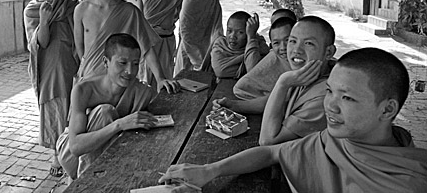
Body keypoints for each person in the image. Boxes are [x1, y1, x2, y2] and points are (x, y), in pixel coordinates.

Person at [159, 48, 427, 192]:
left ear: (387, 109)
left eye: (347, 98)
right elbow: (271, 151)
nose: (330, 106)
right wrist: (210, 170)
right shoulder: (333, 141)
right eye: (330, 91)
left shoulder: (407, 182)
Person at [56, 33, 157, 179]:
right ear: (105, 62)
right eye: (122, 63)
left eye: (135, 64)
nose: (130, 71)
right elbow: (76, 147)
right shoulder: (84, 90)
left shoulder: (142, 92)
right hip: (71, 155)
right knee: (104, 112)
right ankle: (86, 183)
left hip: (107, 154)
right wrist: (119, 124)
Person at [73, 0, 179, 93]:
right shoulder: (81, 10)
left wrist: (160, 78)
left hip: (119, 84)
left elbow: (146, 48)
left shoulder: (129, 11)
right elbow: (81, 51)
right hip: (90, 83)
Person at [23, 0, 80, 177]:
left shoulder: (71, 4)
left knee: (73, 105)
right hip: (47, 67)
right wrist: (45, 20)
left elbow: (81, 32)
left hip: (70, 62)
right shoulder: (32, 10)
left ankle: (73, 148)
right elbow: (41, 43)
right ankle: (57, 153)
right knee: (53, 106)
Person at [258, 15, 336, 146]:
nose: (296, 50)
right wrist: (233, 105)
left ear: (328, 52)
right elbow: (275, 101)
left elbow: (268, 140)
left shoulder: (326, 96)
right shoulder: (304, 75)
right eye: (292, 41)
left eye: (308, 43)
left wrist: (282, 83)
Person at [214, 16, 296, 114]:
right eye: (276, 43)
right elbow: (223, 71)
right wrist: (233, 105)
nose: (283, 47)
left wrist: (251, 38)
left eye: (288, 40)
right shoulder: (220, 44)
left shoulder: (260, 46)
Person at [136, 0, 187, 83]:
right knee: (145, 80)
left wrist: (181, 43)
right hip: (147, 42)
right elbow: (139, 22)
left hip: (166, 40)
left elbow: (184, 20)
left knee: (165, 78)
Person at [174, 0, 223, 75]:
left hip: (208, 52)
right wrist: (196, 60)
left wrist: (218, 50)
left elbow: (217, 28)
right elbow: (186, 32)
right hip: (189, 53)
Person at [209, 11, 251, 79]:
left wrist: (251, 38)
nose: (232, 36)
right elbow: (220, 71)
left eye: (240, 32)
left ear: (249, 32)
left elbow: (253, 72)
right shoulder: (220, 45)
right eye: (229, 31)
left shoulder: (256, 45)